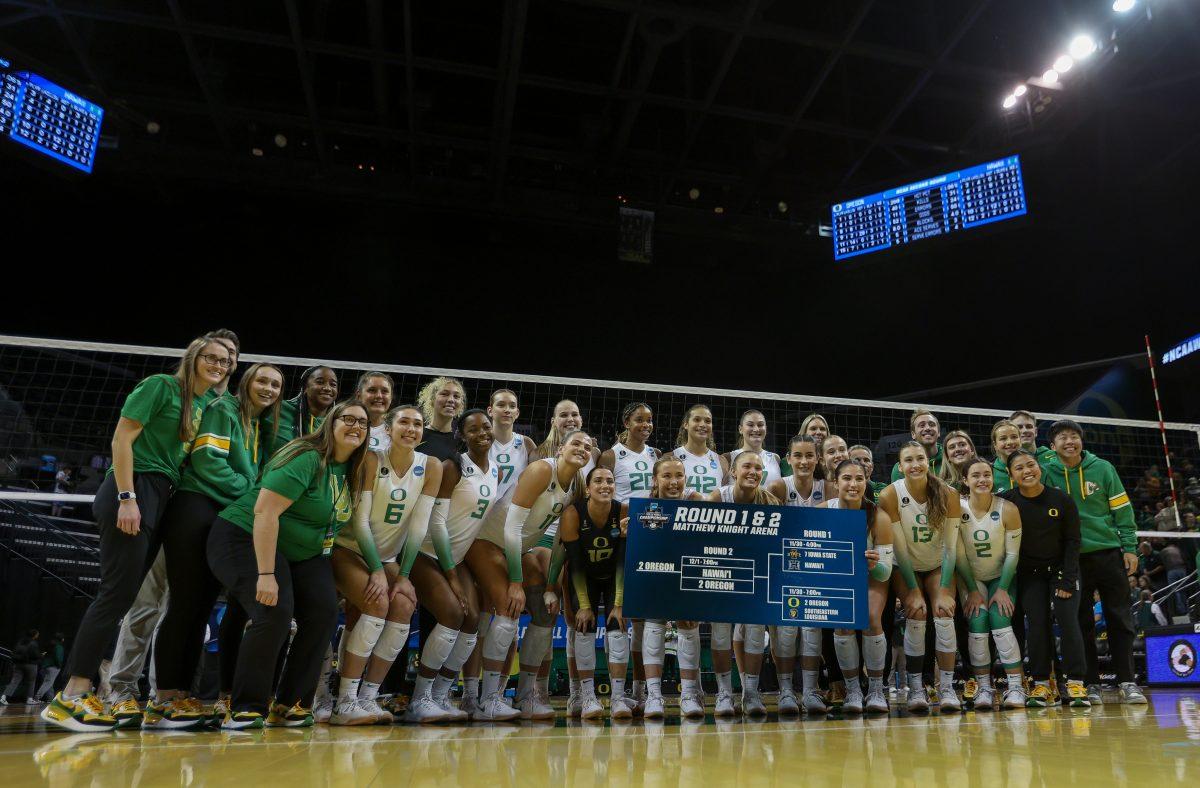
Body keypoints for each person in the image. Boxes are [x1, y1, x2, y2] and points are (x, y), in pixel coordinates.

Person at [42, 336, 228, 733]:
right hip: (134, 488)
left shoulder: (200, 406)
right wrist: (128, 497)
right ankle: (71, 695)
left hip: (160, 495)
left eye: (226, 361)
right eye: (211, 357)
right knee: (114, 595)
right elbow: (121, 438)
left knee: (123, 596)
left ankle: (86, 691)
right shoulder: (161, 386)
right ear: (193, 357)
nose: (219, 364)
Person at [207, 399, 369, 729]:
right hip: (242, 535)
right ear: (330, 424)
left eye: (363, 423)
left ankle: (291, 703)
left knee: (323, 612)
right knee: (274, 610)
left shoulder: (350, 467)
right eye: (348, 419)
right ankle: (246, 707)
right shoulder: (307, 456)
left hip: (303, 552)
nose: (356, 426)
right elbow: (265, 513)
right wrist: (266, 574)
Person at [149, 362, 285, 729]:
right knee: (185, 605)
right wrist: (254, 494)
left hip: (222, 513)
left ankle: (185, 697)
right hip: (196, 506)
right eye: (262, 380)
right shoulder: (225, 409)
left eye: (276, 384)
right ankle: (165, 698)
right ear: (246, 382)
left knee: (202, 606)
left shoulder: (259, 426)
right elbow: (208, 461)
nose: (269, 388)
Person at [330, 404, 443, 725]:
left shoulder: (430, 466)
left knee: (405, 605)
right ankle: (345, 700)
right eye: (404, 422)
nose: (411, 429)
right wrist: (378, 572)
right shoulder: (370, 459)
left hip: (389, 557)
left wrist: (403, 575)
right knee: (376, 601)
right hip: (350, 548)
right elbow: (360, 521)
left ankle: (368, 695)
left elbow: (419, 528)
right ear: (389, 429)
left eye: (418, 424)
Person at [469, 429, 590, 720]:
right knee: (509, 607)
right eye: (576, 443)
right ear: (560, 448)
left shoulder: (576, 484)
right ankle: (489, 699)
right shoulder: (540, 470)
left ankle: (526, 696)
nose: (582, 449)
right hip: (487, 541)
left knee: (547, 610)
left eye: (587, 447)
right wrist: (515, 581)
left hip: (520, 548)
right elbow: (511, 528)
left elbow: (562, 539)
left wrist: (551, 585)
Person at [1039, 419, 1146, 705]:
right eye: (1063, 437)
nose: (1069, 441)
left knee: (1120, 617)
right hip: (1072, 559)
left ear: (1081, 441)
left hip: (1109, 552)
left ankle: (1127, 681)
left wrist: (1130, 547)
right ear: (1053, 446)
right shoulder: (1047, 473)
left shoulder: (1103, 469)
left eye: (1074, 436)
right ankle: (1091, 683)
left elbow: (1123, 511)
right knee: (1080, 621)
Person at [405, 409, 496, 723]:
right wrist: (453, 576)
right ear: (462, 435)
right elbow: (437, 523)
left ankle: (441, 696)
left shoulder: (494, 469)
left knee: (472, 620)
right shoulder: (453, 467)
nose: (482, 432)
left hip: (455, 558)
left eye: (486, 426)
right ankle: (419, 700)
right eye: (474, 429)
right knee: (453, 614)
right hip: (425, 553)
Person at [1000, 450, 1090, 708]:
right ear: (1011, 474)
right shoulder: (1006, 501)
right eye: (1019, 468)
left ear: (1039, 467)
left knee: (1067, 620)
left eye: (1031, 465)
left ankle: (1075, 682)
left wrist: (1067, 579)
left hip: (1062, 571)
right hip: (1030, 575)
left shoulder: (1061, 500)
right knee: (1036, 625)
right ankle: (1040, 684)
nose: (1027, 471)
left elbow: (1074, 542)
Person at [878, 441, 962, 712]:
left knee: (944, 611)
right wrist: (912, 590)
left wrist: (947, 587)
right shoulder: (890, 495)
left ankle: (946, 687)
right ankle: (915, 688)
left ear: (928, 462)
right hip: (905, 566)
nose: (915, 464)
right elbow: (899, 548)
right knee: (916, 610)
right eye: (908, 460)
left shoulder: (948, 493)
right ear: (900, 466)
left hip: (938, 564)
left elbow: (951, 547)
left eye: (920, 459)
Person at [705, 452, 780, 717]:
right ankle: (724, 693)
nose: (753, 471)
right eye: (747, 466)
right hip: (722, 570)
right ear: (734, 472)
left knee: (756, 630)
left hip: (755, 573)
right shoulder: (718, 497)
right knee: (721, 631)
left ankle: (751, 692)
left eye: (758, 468)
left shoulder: (770, 502)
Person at [552, 467, 628, 720]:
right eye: (598, 481)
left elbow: (623, 560)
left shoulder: (623, 511)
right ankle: (587, 697)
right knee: (584, 626)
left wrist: (618, 603)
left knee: (618, 626)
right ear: (587, 488)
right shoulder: (573, 514)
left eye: (610, 481)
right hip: (584, 576)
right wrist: (583, 604)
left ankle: (618, 698)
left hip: (613, 575)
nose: (605, 485)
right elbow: (574, 562)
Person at [820, 459, 894, 715]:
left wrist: (873, 564)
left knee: (872, 617)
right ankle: (853, 689)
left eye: (859, 479)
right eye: (847, 479)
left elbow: (885, 574)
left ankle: (875, 688)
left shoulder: (877, 516)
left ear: (866, 482)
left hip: (871, 578)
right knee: (844, 619)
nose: (853, 484)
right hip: (836, 579)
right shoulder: (823, 512)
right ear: (835, 482)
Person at [954, 457, 1026, 710]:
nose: (982, 480)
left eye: (986, 474)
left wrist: (1004, 588)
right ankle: (985, 686)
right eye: (975, 475)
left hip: (1000, 577)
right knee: (977, 622)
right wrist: (972, 591)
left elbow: (1013, 554)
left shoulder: (1008, 508)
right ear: (965, 480)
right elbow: (959, 554)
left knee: (1000, 620)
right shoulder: (957, 508)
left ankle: (1016, 686)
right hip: (970, 578)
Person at [646, 456, 706, 718]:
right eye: (666, 476)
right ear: (655, 480)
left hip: (688, 574)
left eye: (679, 476)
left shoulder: (698, 506)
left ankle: (690, 694)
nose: (673, 482)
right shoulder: (644, 509)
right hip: (656, 574)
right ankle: (653, 696)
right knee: (653, 622)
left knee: (689, 625)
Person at [767, 434, 823, 714]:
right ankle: (786, 690)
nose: (804, 461)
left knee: (812, 630)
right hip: (784, 570)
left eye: (809, 455)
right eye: (798, 456)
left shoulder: (829, 489)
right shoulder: (778, 486)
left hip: (816, 571)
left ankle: (811, 691)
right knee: (786, 632)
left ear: (818, 458)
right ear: (788, 459)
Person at [264, 366, 338, 458]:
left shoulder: (337, 423)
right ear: (305, 388)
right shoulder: (278, 409)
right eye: (320, 382)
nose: (328, 388)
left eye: (333, 385)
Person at [600, 402, 659, 503]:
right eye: (639, 420)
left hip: (651, 515)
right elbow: (600, 491)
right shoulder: (610, 456)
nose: (646, 425)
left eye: (649, 420)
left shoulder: (656, 454)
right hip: (623, 516)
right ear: (627, 423)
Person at [673, 405, 729, 497]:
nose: (703, 425)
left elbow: (726, 498)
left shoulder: (721, 461)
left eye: (707, 421)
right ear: (686, 424)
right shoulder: (672, 457)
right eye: (697, 420)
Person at [721, 409, 783, 486]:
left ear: (766, 429)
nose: (756, 429)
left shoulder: (775, 458)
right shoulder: (727, 458)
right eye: (750, 425)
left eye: (760, 425)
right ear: (740, 429)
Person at [416, 376, 466, 461]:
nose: (451, 400)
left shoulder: (463, 442)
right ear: (432, 399)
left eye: (456, 396)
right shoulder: (417, 435)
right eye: (444, 394)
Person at [890, 409, 943, 482]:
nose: (927, 428)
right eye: (922, 425)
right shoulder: (901, 467)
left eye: (932, 425)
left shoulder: (950, 459)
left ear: (939, 432)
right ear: (913, 434)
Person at [357, 372, 395, 452]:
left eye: (384, 391)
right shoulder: (345, 426)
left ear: (391, 398)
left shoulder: (396, 432)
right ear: (359, 396)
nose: (379, 395)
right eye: (372, 390)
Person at [1, 630, 41, 705]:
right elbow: (35, 655)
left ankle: (3, 697)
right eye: (37, 634)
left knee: (14, 681)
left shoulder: (20, 642)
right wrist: (41, 655)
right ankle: (29, 699)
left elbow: (15, 651)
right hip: (30, 664)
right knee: (31, 682)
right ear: (34, 635)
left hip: (18, 664)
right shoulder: (33, 643)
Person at [989, 420, 1021, 494]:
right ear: (995, 445)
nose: (1010, 442)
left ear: (1020, 440)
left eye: (1014, 437)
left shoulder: (1032, 468)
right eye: (1003, 438)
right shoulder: (989, 472)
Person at [35, 633, 65, 703]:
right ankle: (37, 697)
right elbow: (58, 657)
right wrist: (59, 665)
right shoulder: (59, 646)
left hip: (45, 666)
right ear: (61, 639)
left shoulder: (50, 644)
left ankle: (50, 699)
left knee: (49, 683)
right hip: (53, 667)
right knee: (48, 683)